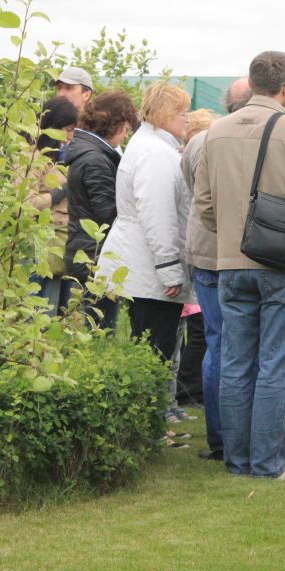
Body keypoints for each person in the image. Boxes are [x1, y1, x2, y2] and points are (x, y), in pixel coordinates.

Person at [194, 52, 285, 481]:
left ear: (251, 83)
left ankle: (237, 462)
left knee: (235, 363)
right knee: (275, 365)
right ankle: (268, 464)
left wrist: (233, 234)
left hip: (231, 263)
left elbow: (203, 204)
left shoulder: (215, 132)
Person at [97, 82, 194, 422]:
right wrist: (170, 269)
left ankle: (153, 419)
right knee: (155, 350)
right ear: (166, 114)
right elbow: (158, 215)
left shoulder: (151, 146)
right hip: (149, 266)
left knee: (151, 347)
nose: (186, 119)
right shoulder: (155, 154)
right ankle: (152, 422)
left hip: (141, 260)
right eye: (183, 112)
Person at [182, 79, 251, 461]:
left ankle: (221, 438)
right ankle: (240, 437)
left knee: (218, 342)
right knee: (242, 345)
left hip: (206, 252)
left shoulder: (198, 141)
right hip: (238, 253)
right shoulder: (251, 140)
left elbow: (192, 188)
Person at [64, 90, 138, 329]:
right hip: (94, 254)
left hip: (87, 249)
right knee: (99, 328)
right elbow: (107, 213)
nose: (125, 136)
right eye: (125, 129)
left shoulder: (92, 153)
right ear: (114, 124)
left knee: (96, 323)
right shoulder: (96, 160)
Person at [27, 97, 78, 315]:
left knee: (56, 312)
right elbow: (27, 204)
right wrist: (58, 194)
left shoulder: (57, 155)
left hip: (58, 243)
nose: (70, 136)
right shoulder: (32, 157)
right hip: (41, 243)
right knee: (40, 311)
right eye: (67, 129)